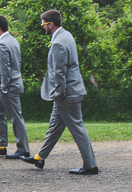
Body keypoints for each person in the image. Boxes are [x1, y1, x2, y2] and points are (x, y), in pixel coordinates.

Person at [21, 10, 99, 175]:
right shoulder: (67, 35)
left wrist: (58, 94)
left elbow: (59, 73)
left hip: (66, 93)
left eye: (43, 25)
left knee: (77, 128)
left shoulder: (57, 43)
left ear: (50, 24)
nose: (43, 28)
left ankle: (90, 165)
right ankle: (39, 157)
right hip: (72, 89)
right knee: (55, 126)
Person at [0, 15, 30, 160]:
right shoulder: (13, 41)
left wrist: (4, 88)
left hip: (8, 86)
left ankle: (23, 149)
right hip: (11, 84)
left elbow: (5, 69)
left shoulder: (2, 44)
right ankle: (2, 145)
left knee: (16, 117)